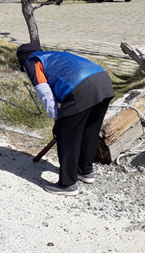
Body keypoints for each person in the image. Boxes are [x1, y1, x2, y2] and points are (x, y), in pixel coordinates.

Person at [16, 44, 114, 196]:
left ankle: (67, 184)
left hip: (81, 87)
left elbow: (45, 93)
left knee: (67, 137)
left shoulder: (31, 61)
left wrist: (58, 119)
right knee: (89, 131)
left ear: (22, 58)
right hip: (103, 81)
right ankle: (84, 171)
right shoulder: (51, 55)